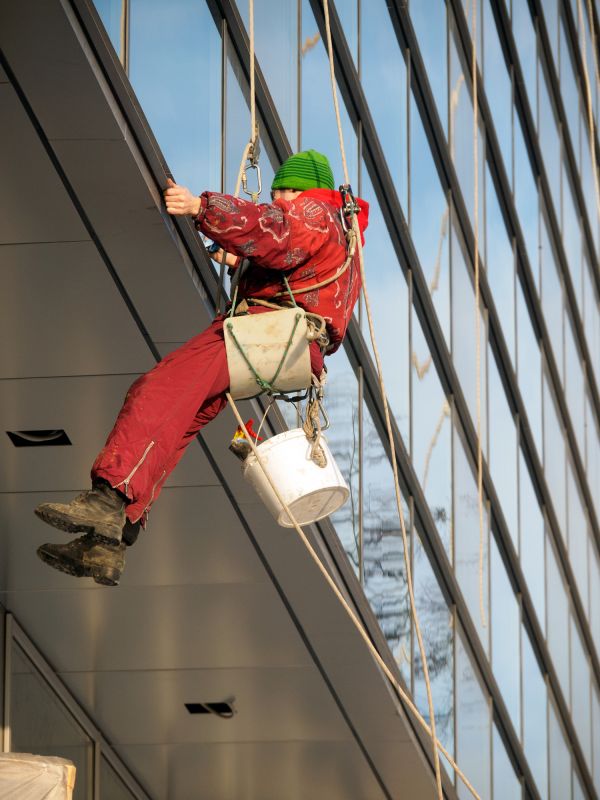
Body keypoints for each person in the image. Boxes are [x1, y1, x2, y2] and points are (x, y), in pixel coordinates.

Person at [34, 150, 369, 586]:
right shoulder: (340, 230)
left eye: (280, 192)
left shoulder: (313, 210)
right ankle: (111, 542)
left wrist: (203, 208)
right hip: (293, 346)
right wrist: (238, 261)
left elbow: (277, 232)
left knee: (158, 390)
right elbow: (298, 267)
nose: (277, 200)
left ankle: (108, 499)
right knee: (182, 420)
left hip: (265, 331)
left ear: (297, 188)